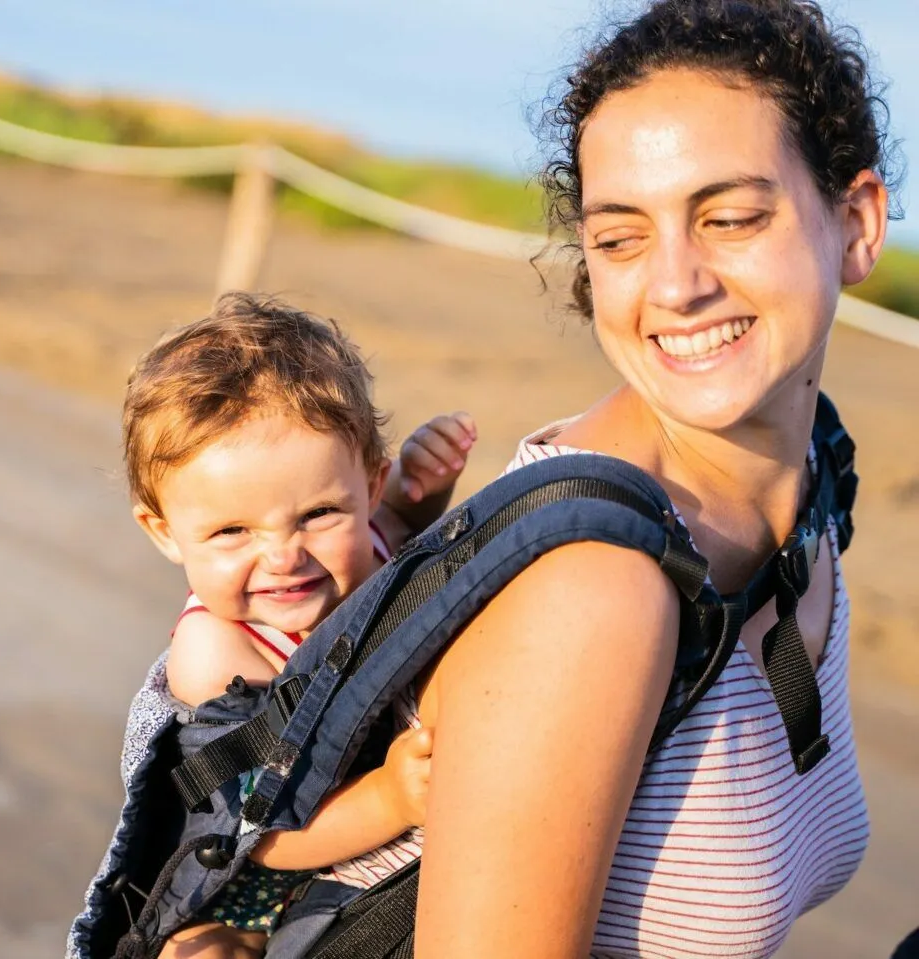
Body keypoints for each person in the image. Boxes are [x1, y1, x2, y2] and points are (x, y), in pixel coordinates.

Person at [332, 2, 896, 956]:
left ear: (857, 223)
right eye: (622, 237)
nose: (675, 285)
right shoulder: (591, 589)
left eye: (729, 217)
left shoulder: (811, 489)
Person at [121, 291, 478, 958]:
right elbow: (262, 831)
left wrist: (424, 485)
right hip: (237, 887)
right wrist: (392, 799)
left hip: (358, 872)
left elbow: (400, 532)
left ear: (370, 485)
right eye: (231, 531)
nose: (284, 556)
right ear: (164, 531)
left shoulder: (364, 539)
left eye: (317, 514)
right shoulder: (217, 652)